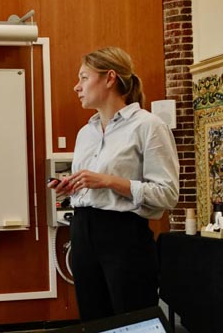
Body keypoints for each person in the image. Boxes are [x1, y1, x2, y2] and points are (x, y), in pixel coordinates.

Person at [48, 47, 179, 321]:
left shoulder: (149, 126)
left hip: (124, 236)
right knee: (93, 322)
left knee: (133, 322)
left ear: (109, 78)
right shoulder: (86, 133)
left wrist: (109, 181)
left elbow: (167, 194)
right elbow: (94, 187)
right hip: (81, 232)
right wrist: (72, 185)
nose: (76, 87)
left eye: (84, 78)